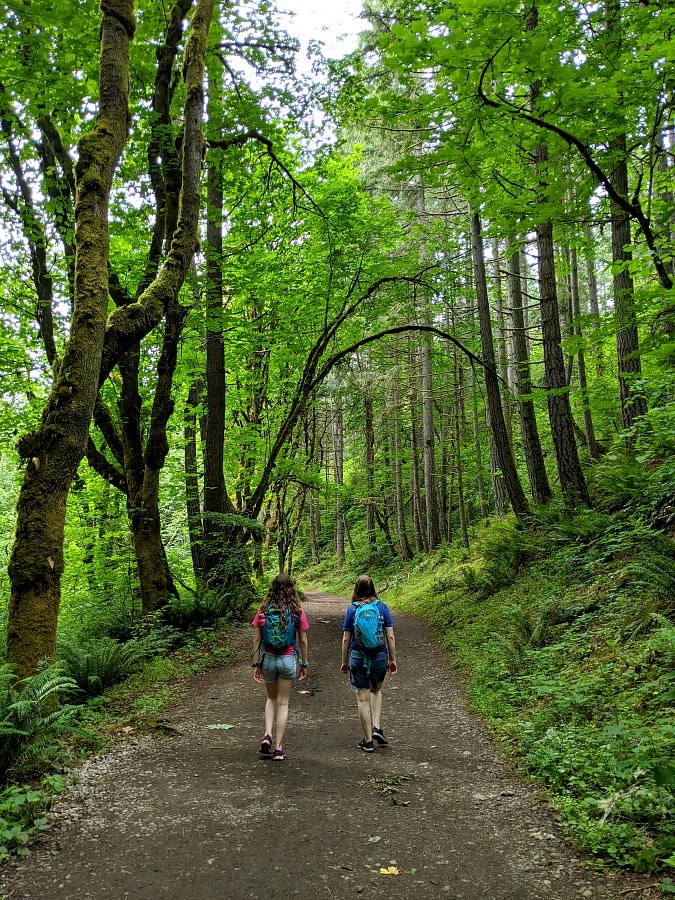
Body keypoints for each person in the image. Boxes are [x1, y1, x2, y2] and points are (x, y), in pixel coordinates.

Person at [251, 572, 309, 761]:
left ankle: (267, 735)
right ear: (292, 589)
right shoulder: (297, 611)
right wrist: (303, 663)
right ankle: (278, 748)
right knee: (283, 703)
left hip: (268, 659)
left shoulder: (263, 610)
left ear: (272, 589)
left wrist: (257, 664)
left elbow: (257, 638)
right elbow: (303, 641)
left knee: (271, 698)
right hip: (287, 659)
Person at [340, 574, 397, 752]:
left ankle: (367, 740)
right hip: (379, 656)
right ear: (373, 587)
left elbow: (345, 639)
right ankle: (377, 727)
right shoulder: (382, 608)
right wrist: (392, 659)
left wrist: (344, 662)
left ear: (356, 589)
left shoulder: (352, 609)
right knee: (376, 690)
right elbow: (390, 636)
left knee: (362, 697)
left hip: (357, 656)